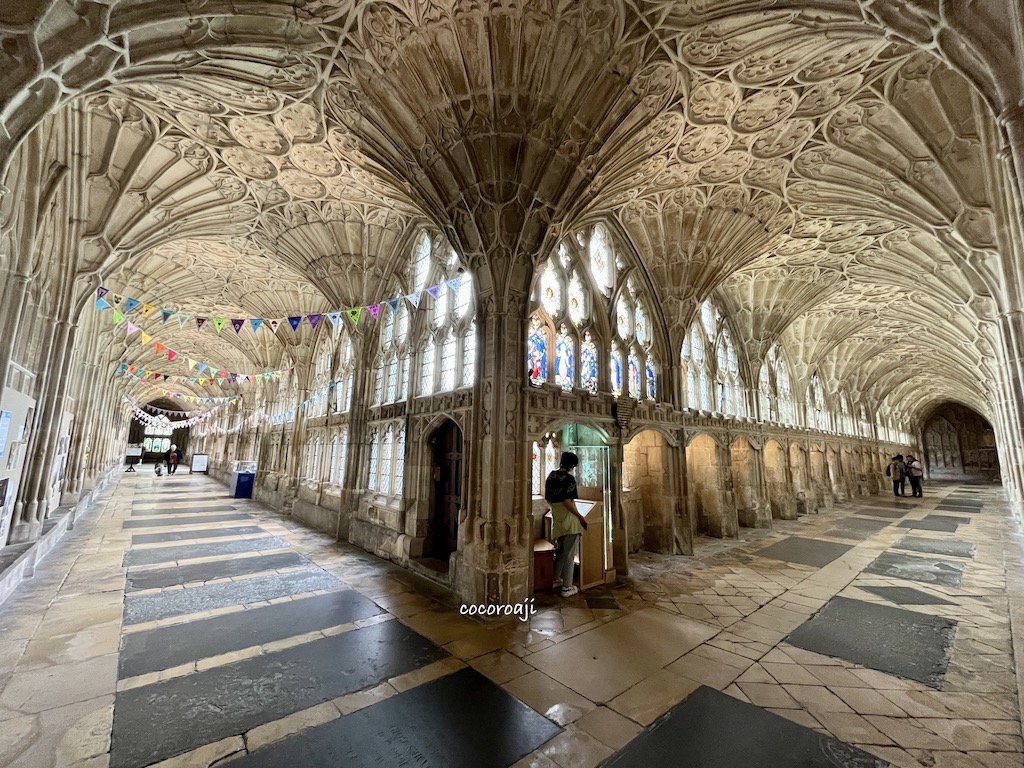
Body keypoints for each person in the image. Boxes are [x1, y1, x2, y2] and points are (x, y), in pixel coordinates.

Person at [544, 451, 588, 598]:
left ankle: (556, 579)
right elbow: (567, 501)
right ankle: (567, 587)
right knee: (569, 554)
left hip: (557, 519)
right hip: (570, 520)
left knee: (561, 551)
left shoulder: (551, 475)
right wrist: (580, 517)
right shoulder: (569, 479)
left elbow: (549, 498)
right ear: (572, 465)